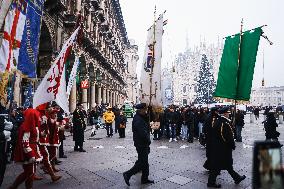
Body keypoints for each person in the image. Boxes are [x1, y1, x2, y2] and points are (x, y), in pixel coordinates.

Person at [205, 107, 246, 188]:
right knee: (217, 167)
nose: (229, 114)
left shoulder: (218, 121)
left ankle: (237, 178)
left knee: (227, 165)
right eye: (228, 113)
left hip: (218, 147)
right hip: (223, 148)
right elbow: (228, 137)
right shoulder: (224, 123)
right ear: (225, 114)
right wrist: (232, 145)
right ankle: (211, 183)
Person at [8, 108, 43, 189]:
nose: (39, 118)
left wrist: (42, 133)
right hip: (28, 152)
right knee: (29, 172)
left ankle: (14, 186)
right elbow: (25, 142)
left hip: (33, 149)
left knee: (30, 172)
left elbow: (34, 136)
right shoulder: (27, 126)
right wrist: (31, 154)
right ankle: (14, 186)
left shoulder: (32, 125)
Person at [123, 103, 154, 186]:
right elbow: (142, 133)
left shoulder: (141, 116)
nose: (146, 111)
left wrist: (150, 110)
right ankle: (128, 174)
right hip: (141, 143)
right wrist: (148, 140)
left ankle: (144, 178)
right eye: (145, 110)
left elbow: (149, 118)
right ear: (141, 110)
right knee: (142, 162)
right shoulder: (138, 119)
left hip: (142, 143)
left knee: (144, 162)